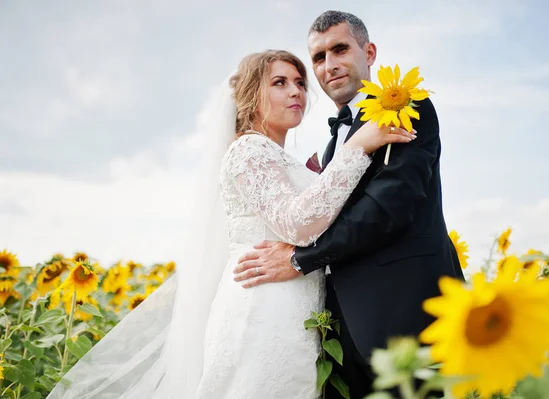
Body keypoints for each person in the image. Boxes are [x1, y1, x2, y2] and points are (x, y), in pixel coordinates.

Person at [46, 50, 414, 399]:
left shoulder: (277, 157)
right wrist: (357, 147)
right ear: (252, 94)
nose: (296, 91)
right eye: (280, 83)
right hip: (261, 306)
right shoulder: (246, 151)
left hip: (293, 308)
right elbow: (298, 224)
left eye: (300, 83)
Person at [233, 11, 465, 399]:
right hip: (339, 332)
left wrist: (299, 259)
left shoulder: (406, 106)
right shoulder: (329, 147)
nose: (329, 65)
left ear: (369, 51)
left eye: (340, 49)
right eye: (319, 58)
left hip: (407, 316)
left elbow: (387, 208)